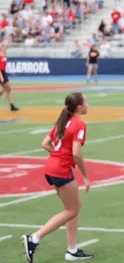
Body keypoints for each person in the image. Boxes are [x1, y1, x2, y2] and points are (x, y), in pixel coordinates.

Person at [22, 92, 94, 262]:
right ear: (79, 107)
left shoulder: (63, 121)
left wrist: (58, 154)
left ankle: (72, 250)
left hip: (51, 167)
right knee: (72, 210)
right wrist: (85, 175)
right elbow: (76, 153)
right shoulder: (79, 124)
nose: (88, 105)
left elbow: (44, 143)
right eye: (86, 102)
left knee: (72, 208)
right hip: (61, 170)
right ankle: (34, 239)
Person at [0, 43, 19, 111]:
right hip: (1, 74)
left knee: (6, 89)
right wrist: (1, 76)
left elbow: (3, 67)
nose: (6, 48)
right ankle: (12, 106)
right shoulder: (0, 55)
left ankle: (12, 106)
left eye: (6, 47)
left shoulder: (4, 56)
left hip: (3, 73)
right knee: (8, 89)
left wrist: (9, 73)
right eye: (4, 47)